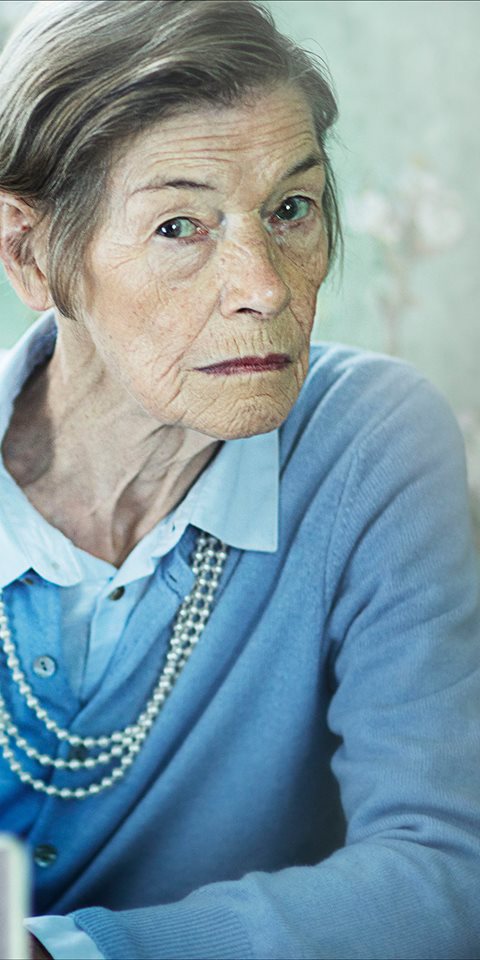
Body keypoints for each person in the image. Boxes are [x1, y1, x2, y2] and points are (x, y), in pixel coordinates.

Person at [0, 1, 478, 958]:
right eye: (181, 225)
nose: (265, 285)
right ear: (29, 252)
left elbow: (447, 871)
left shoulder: (369, 443)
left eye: (291, 209)